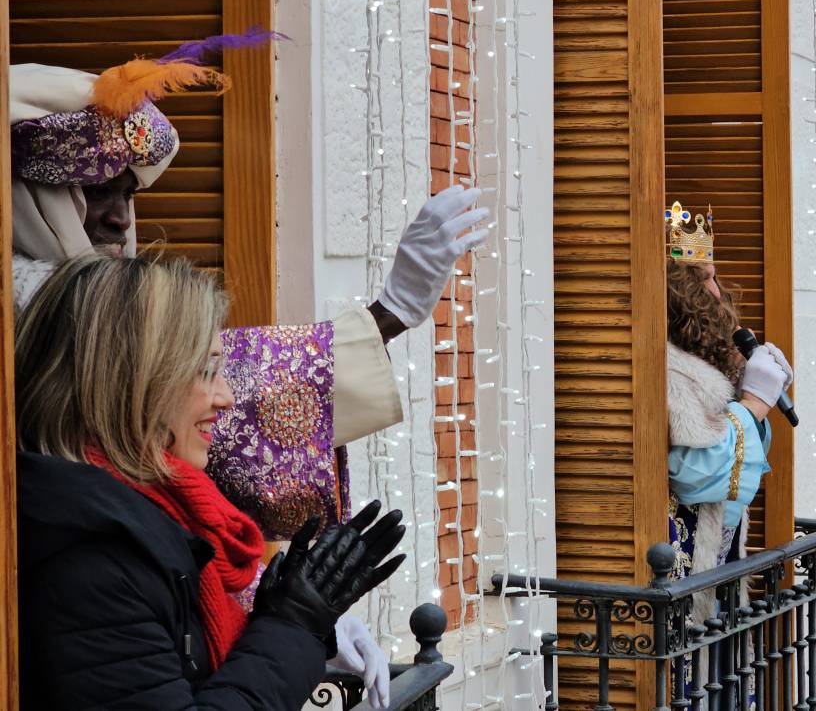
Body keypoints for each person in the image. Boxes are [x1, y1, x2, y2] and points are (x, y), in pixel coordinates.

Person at [9, 45, 483, 702]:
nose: (119, 218)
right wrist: (386, 317)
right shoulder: (33, 307)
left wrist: (278, 613)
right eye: (95, 191)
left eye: (128, 194)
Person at [15, 255, 407, 709]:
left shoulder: (150, 514)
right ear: (131, 382)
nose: (227, 397)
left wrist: (284, 623)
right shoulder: (93, 558)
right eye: (207, 371)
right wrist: (293, 626)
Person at [663, 202, 791, 617]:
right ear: (681, 294)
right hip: (681, 549)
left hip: (721, 540)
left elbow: (750, 453)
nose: (718, 293)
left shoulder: (705, 357)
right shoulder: (669, 366)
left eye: (714, 278)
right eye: (706, 280)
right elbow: (695, 473)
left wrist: (748, 382)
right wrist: (752, 406)